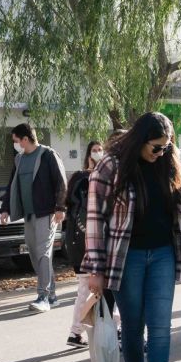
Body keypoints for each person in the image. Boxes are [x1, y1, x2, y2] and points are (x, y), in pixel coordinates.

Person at [83, 112, 181, 362]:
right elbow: (95, 218)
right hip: (126, 256)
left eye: (166, 146)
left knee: (161, 327)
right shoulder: (112, 166)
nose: (160, 152)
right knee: (133, 328)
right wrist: (95, 269)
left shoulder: (170, 162)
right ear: (140, 140)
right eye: (155, 147)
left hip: (162, 253)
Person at [0, 123, 67, 312]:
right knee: (35, 254)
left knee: (44, 253)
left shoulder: (48, 155)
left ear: (25, 139)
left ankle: (43, 296)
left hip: (47, 214)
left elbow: (61, 182)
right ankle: (52, 295)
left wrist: (60, 207)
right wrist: (5, 209)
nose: (15, 144)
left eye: (16, 141)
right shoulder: (19, 159)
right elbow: (12, 185)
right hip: (28, 215)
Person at [64, 141, 106, 348]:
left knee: (91, 289)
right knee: (86, 288)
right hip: (83, 242)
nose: (98, 153)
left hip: (84, 240)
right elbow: (78, 212)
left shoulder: (102, 177)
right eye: (95, 150)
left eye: (101, 150)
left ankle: (76, 332)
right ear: (88, 154)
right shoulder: (82, 178)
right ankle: (76, 331)